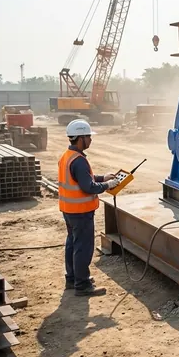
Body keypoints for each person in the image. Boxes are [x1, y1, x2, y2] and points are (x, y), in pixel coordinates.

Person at [58, 119, 120, 297]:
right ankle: (83, 285)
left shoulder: (67, 156)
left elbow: (83, 178)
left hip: (69, 210)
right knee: (83, 248)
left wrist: (102, 178)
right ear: (80, 138)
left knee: (72, 244)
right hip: (81, 212)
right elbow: (88, 187)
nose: (91, 140)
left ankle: (72, 279)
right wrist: (108, 185)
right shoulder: (79, 161)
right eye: (88, 137)